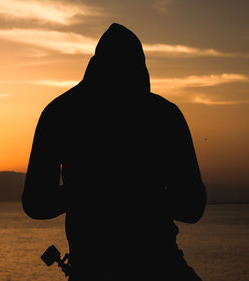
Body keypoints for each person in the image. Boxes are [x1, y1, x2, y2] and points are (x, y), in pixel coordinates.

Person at [22, 23, 206, 281]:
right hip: (152, 265)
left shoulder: (59, 113)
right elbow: (193, 206)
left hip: (132, 265)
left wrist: (92, 191)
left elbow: (35, 203)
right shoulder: (165, 115)